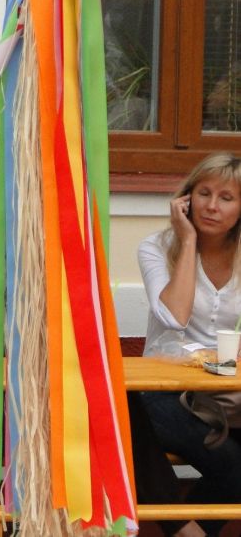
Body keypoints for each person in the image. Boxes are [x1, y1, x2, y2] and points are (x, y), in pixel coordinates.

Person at [138, 152, 241, 536]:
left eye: (227, 198)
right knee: (230, 462)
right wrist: (188, 241)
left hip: (227, 394)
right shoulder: (156, 247)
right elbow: (173, 318)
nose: (212, 206)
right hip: (165, 392)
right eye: (204, 193)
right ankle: (185, 529)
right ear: (186, 199)